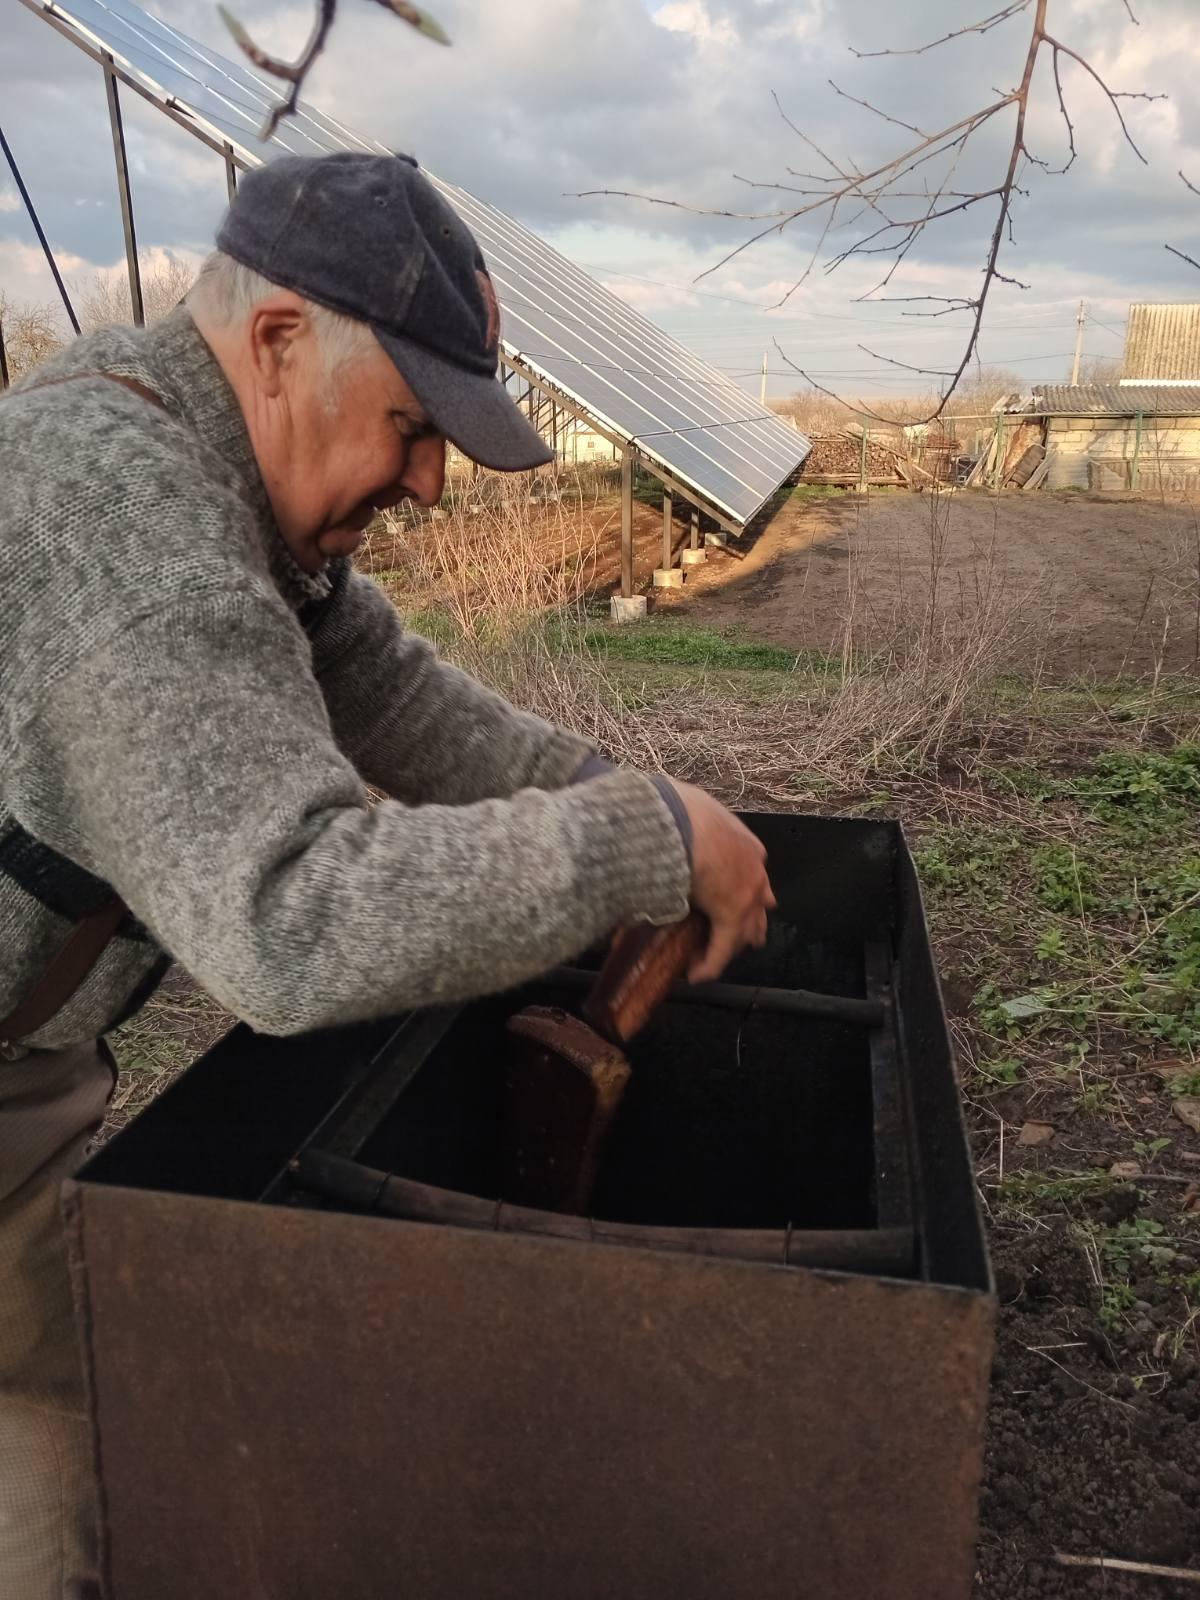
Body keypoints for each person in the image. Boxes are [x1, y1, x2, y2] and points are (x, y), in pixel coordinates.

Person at [0, 150, 775, 1598]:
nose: (430, 480)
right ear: (278, 340)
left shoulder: (228, 491)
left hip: (24, 1068)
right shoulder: (119, 522)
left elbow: (403, 703)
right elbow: (287, 917)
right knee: (63, 1487)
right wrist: (635, 841)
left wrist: (635, 804)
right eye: (413, 425)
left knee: (79, 1424)